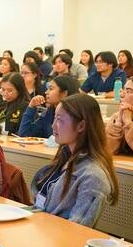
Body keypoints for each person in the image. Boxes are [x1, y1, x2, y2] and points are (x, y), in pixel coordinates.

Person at [31, 94, 119, 227]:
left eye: (60, 120)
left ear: (81, 126)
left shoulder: (93, 176)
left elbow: (76, 230)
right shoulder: (65, 157)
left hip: (56, 239)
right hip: (40, 226)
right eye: (54, 118)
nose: (53, 126)